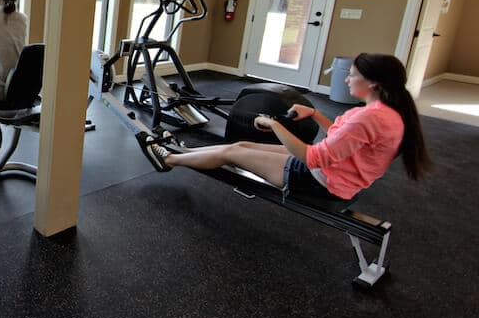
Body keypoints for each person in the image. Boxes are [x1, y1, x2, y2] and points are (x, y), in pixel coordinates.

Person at [147, 53, 431, 203]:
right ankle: (184, 154)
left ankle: (169, 159)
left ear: (373, 84)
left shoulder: (367, 117)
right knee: (242, 146)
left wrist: (273, 124)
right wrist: (315, 113)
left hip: (319, 181)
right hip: (336, 172)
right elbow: (342, 141)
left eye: (352, 75)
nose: (347, 79)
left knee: (232, 153)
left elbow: (312, 158)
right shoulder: (389, 113)